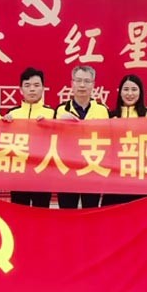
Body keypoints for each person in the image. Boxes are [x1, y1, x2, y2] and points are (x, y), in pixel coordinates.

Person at [55, 65, 109, 209]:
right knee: (67, 213)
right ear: (72, 83)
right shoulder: (61, 110)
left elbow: (109, 139)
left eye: (87, 81)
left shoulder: (103, 110)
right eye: (78, 80)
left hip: (93, 169)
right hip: (67, 170)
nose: (82, 85)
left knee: (91, 212)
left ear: (93, 85)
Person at [4, 67, 55, 208]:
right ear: (21, 90)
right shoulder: (11, 114)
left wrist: (51, 125)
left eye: (36, 85)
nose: (32, 89)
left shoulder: (52, 113)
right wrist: (4, 125)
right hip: (18, 172)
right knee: (18, 212)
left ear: (43, 88)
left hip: (43, 172)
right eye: (27, 85)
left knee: (41, 212)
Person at [102, 74, 147, 206]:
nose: (130, 94)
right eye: (126, 89)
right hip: (114, 177)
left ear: (140, 92)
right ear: (120, 92)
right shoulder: (110, 116)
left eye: (134, 89)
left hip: (140, 178)